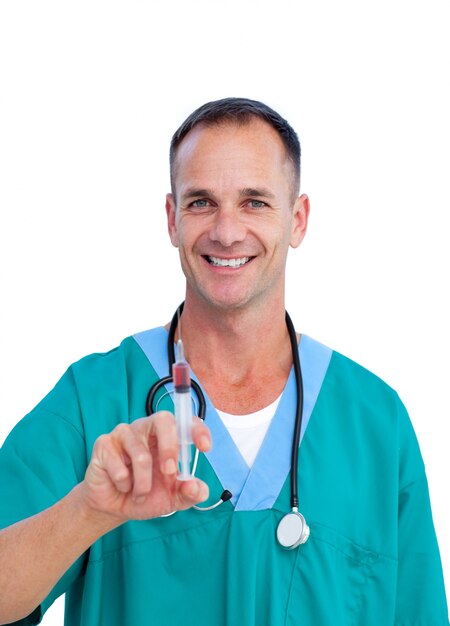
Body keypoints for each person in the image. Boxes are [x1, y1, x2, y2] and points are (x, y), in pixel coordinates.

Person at [0, 97, 447, 626]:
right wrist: (88, 511)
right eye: (201, 203)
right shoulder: (93, 399)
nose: (227, 231)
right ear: (172, 219)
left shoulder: (375, 421)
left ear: (298, 220)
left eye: (255, 202)